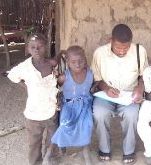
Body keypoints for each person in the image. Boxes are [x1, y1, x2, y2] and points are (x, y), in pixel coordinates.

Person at [91, 23, 148, 164]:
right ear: (111, 40)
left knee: (131, 115)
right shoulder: (100, 53)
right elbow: (97, 79)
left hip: (129, 95)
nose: (122, 51)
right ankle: (104, 148)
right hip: (106, 94)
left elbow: (144, 75)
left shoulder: (139, 51)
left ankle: (128, 151)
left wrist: (140, 88)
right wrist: (106, 88)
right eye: (118, 47)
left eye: (126, 48)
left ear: (131, 43)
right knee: (99, 113)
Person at [7, 33, 59, 165]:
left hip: (51, 111)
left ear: (46, 47)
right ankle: (35, 162)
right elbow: (12, 75)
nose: (36, 50)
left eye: (40, 46)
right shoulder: (25, 67)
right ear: (28, 49)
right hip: (33, 115)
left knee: (52, 139)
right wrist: (25, 86)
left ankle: (50, 159)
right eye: (33, 47)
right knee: (34, 143)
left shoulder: (51, 64)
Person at [51, 46, 93, 165]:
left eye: (81, 61)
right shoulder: (64, 77)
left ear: (85, 59)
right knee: (65, 125)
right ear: (68, 63)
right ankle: (60, 146)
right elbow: (54, 87)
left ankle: (85, 150)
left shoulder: (90, 74)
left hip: (85, 105)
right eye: (73, 62)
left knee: (86, 125)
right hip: (69, 106)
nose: (78, 64)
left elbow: (92, 87)